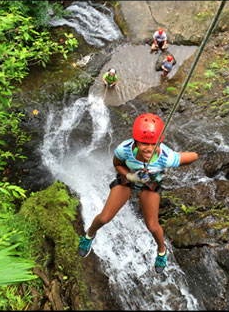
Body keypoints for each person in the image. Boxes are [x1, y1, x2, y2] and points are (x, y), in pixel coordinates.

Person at [78, 113, 198, 273]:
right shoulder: (125, 150)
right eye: (144, 144)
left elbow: (193, 156)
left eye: (153, 144)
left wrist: (168, 166)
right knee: (105, 217)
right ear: (136, 141)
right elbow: (117, 164)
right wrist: (129, 175)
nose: (149, 149)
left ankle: (161, 251)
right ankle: (89, 236)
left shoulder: (166, 157)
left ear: (159, 142)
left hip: (151, 182)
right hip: (129, 177)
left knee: (153, 226)